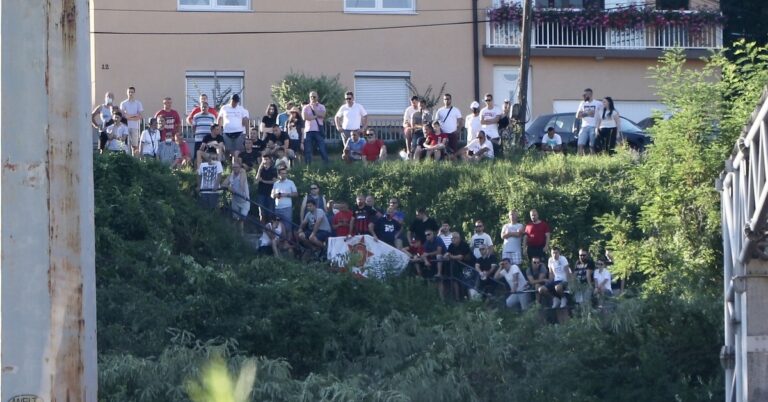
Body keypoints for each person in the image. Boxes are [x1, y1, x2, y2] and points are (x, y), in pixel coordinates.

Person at [217, 93, 249, 160]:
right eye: (234, 101)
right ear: (231, 100)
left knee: (238, 151)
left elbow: (246, 120)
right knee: (227, 150)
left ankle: (237, 164)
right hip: (227, 132)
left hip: (239, 133)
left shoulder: (241, 109)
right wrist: (219, 131)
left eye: (236, 102)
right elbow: (219, 119)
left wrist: (247, 133)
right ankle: (227, 164)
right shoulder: (224, 108)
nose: (235, 103)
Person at [223, 161, 250, 234]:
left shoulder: (243, 173)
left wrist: (242, 191)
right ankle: (234, 235)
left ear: (240, 168)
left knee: (242, 218)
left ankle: (241, 234)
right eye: (233, 167)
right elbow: (224, 184)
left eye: (237, 167)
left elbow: (241, 183)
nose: (235, 169)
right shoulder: (231, 176)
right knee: (235, 218)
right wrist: (229, 187)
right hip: (235, 200)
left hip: (244, 199)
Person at [302, 91, 329, 164]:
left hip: (318, 131)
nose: (313, 98)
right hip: (308, 131)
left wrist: (314, 108)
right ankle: (308, 165)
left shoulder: (321, 106)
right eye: (311, 97)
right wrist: (315, 116)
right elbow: (305, 117)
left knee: (322, 148)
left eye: (314, 97)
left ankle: (326, 164)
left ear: (317, 97)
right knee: (308, 149)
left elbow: (323, 115)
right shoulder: (306, 107)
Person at [445, 231, 472, 301]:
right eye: (452, 238)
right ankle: (457, 299)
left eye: (454, 238)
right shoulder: (451, 245)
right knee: (455, 280)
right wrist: (448, 255)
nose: (452, 240)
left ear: (458, 238)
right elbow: (447, 255)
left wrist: (451, 256)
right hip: (456, 267)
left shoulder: (464, 245)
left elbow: (460, 257)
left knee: (466, 283)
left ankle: (469, 299)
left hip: (467, 267)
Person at [575, 88, 602, 156]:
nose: (583, 96)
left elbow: (605, 112)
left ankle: (592, 160)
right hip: (584, 127)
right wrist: (588, 113)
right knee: (580, 144)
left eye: (585, 95)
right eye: (583, 95)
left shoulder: (598, 103)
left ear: (590, 94)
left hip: (593, 126)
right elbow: (578, 115)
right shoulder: (582, 103)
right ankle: (580, 160)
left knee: (592, 145)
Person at [119, 86, 144, 156]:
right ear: (127, 93)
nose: (130, 93)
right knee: (125, 145)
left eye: (132, 92)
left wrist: (129, 116)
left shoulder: (138, 103)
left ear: (134, 93)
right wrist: (134, 115)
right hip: (125, 127)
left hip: (135, 127)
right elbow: (123, 116)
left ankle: (135, 160)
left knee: (135, 145)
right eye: (129, 92)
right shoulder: (123, 103)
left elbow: (140, 116)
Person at [254, 155, 277, 220]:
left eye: (266, 159)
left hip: (270, 193)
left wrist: (263, 181)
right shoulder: (260, 169)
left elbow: (274, 181)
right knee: (261, 212)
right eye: (264, 159)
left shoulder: (273, 169)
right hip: (261, 192)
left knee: (270, 211)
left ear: (270, 160)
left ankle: (270, 227)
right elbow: (256, 181)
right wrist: (259, 169)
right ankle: (262, 228)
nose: (265, 161)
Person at [480, 93, 503, 157]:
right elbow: (482, 122)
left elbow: (497, 120)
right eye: (486, 100)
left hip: (494, 134)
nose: (488, 102)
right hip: (485, 134)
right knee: (485, 151)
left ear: (492, 100)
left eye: (489, 100)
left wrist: (487, 120)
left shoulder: (497, 109)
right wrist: (492, 120)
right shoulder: (483, 111)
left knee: (495, 151)